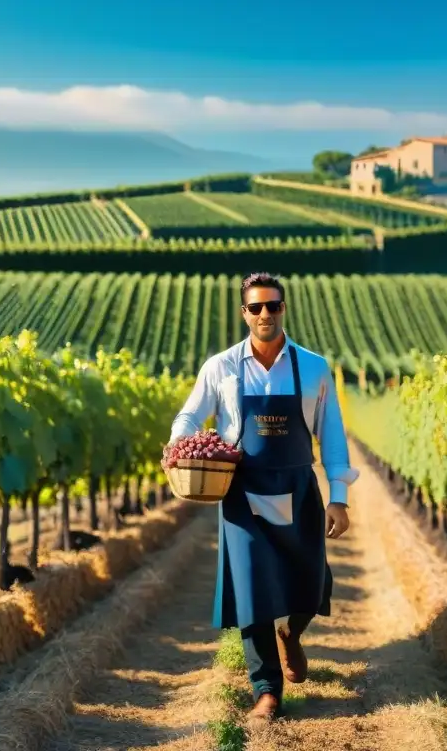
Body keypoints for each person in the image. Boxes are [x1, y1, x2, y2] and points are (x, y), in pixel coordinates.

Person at [164, 271, 358, 725]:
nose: (265, 314)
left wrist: (340, 496)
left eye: (273, 306)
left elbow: (331, 434)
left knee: (311, 585)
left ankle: (291, 632)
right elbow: (191, 414)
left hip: (297, 486)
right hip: (242, 492)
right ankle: (267, 691)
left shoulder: (313, 367)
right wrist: (177, 446)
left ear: (284, 309)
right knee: (252, 593)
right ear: (244, 313)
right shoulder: (221, 367)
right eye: (256, 307)